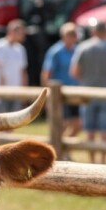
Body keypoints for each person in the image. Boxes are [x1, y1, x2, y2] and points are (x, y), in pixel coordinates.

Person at [70, 21, 106, 164]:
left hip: (87, 93)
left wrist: (87, 79)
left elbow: (74, 72)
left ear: (93, 31)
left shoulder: (83, 47)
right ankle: (103, 161)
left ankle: (92, 161)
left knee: (89, 129)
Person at [42, 23, 82, 152]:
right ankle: (54, 150)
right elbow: (47, 73)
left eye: (74, 34)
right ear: (63, 36)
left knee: (78, 124)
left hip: (75, 92)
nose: (72, 37)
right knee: (61, 125)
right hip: (59, 94)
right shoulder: (55, 52)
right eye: (70, 34)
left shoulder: (78, 50)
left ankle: (62, 151)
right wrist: (47, 95)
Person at [0, 19, 28, 111]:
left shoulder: (20, 49)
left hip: (16, 92)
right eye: (21, 33)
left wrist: (24, 91)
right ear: (13, 32)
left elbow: (23, 71)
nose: (23, 35)